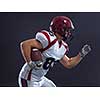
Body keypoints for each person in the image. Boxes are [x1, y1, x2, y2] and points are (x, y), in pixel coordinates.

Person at [18, 16, 91, 87]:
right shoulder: (49, 40)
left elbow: (68, 63)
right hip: (28, 78)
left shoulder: (62, 46)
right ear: (60, 29)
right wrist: (29, 62)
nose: (69, 33)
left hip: (40, 78)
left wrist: (81, 54)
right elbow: (25, 44)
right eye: (67, 30)